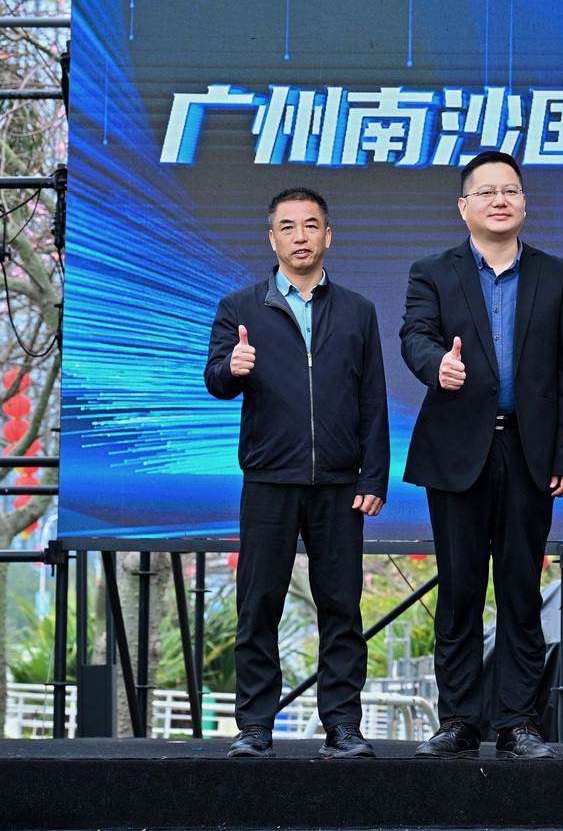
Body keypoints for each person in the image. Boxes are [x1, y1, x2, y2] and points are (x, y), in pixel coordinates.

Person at [401, 151, 563, 760]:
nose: (499, 200)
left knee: (519, 589)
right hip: (458, 450)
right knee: (459, 589)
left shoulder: (556, 274)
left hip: (529, 452)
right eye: (485, 192)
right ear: (464, 207)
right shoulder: (432, 271)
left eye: (510, 190)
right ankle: (458, 719)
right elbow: (415, 335)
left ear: (524, 203)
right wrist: (438, 365)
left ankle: (518, 721)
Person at [204, 187, 389, 760]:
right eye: (288, 227)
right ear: (272, 239)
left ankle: (343, 727)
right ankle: (255, 726)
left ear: (328, 235)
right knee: (259, 606)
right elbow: (215, 381)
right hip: (269, 480)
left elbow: (373, 400)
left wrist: (373, 478)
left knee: (342, 609)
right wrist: (232, 368)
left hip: (339, 483)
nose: (300, 236)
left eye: (311, 225)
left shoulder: (358, 310)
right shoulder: (239, 307)